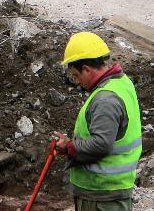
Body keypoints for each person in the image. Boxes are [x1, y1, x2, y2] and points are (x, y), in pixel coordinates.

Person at [53, 31, 141, 211]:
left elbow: (101, 144)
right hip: (111, 190)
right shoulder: (121, 82)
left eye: (77, 75)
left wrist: (69, 147)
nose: (77, 82)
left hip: (101, 193)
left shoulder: (105, 100)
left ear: (87, 68)